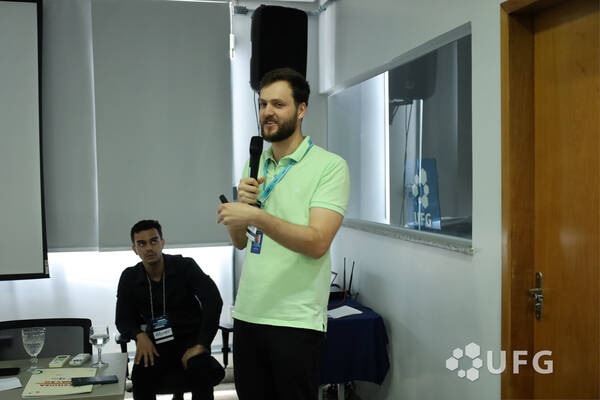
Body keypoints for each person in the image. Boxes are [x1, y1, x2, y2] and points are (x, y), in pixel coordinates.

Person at [217, 68, 350, 400]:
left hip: (296, 320)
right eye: (263, 104)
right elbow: (241, 242)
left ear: (301, 109)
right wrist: (237, 215)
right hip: (249, 314)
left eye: (278, 104)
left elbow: (317, 242)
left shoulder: (330, 166)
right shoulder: (255, 163)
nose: (267, 112)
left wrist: (256, 216)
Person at [115, 220, 224, 400]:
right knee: (140, 376)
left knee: (201, 370)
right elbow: (122, 319)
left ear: (162, 242)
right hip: (155, 345)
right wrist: (138, 335)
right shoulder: (129, 277)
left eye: (153, 241)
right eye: (141, 244)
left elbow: (213, 300)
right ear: (135, 249)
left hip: (189, 342)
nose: (149, 248)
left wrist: (202, 344)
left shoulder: (185, 266)